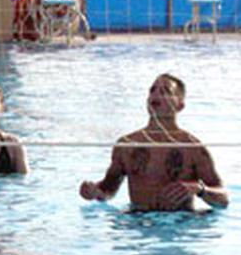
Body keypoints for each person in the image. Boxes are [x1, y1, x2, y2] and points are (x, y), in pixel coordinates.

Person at [79, 74, 229, 211]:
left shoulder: (192, 148)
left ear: (180, 106)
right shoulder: (127, 145)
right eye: (152, 90)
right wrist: (94, 192)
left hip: (179, 224)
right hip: (138, 221)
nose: (156, 94)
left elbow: (224, 200)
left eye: (166, 91)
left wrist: (200, 189)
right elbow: (108, 189)